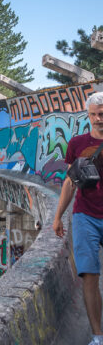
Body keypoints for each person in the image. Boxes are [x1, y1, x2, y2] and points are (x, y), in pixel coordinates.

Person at [53, 91, 103, 345]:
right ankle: (97, 336)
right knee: (89, 274)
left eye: (102, 114)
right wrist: (58, 216)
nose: (98, 119)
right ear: (88, 115)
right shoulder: (77, 144)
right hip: (86, 216)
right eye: (93, 114)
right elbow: (70, 182)